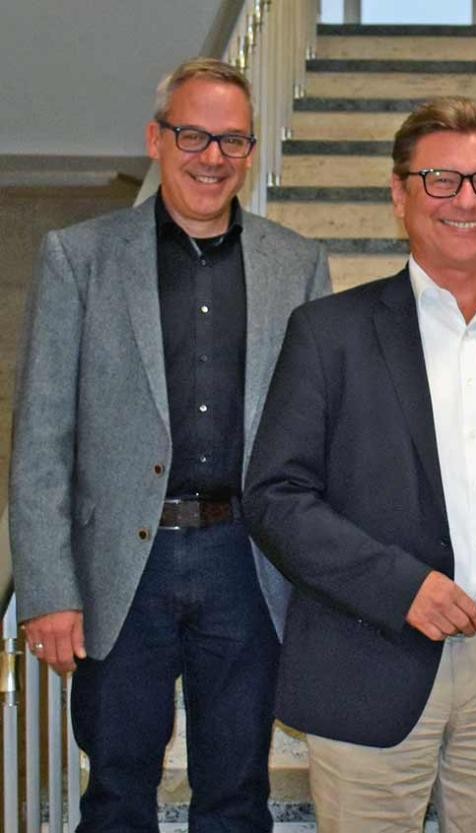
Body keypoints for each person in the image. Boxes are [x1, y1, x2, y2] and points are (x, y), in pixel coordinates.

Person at [242, 96, 476, 833]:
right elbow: (275, 496)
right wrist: (398, 584)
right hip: (366, 650)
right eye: (441, 180)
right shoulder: (330, 333)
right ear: (399, 193)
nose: (466, 201)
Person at [9, 58, 331, 829]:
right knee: (117, 792)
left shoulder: (299, 264)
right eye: (194, 134)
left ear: (250, 152)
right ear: (156, 139)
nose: (212, 157)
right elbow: (42, 436)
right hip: (124, 568)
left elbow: (321, 434)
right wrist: (49, 588)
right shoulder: (78, 258)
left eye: (232, 140)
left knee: (236, 792)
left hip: (246, 564)